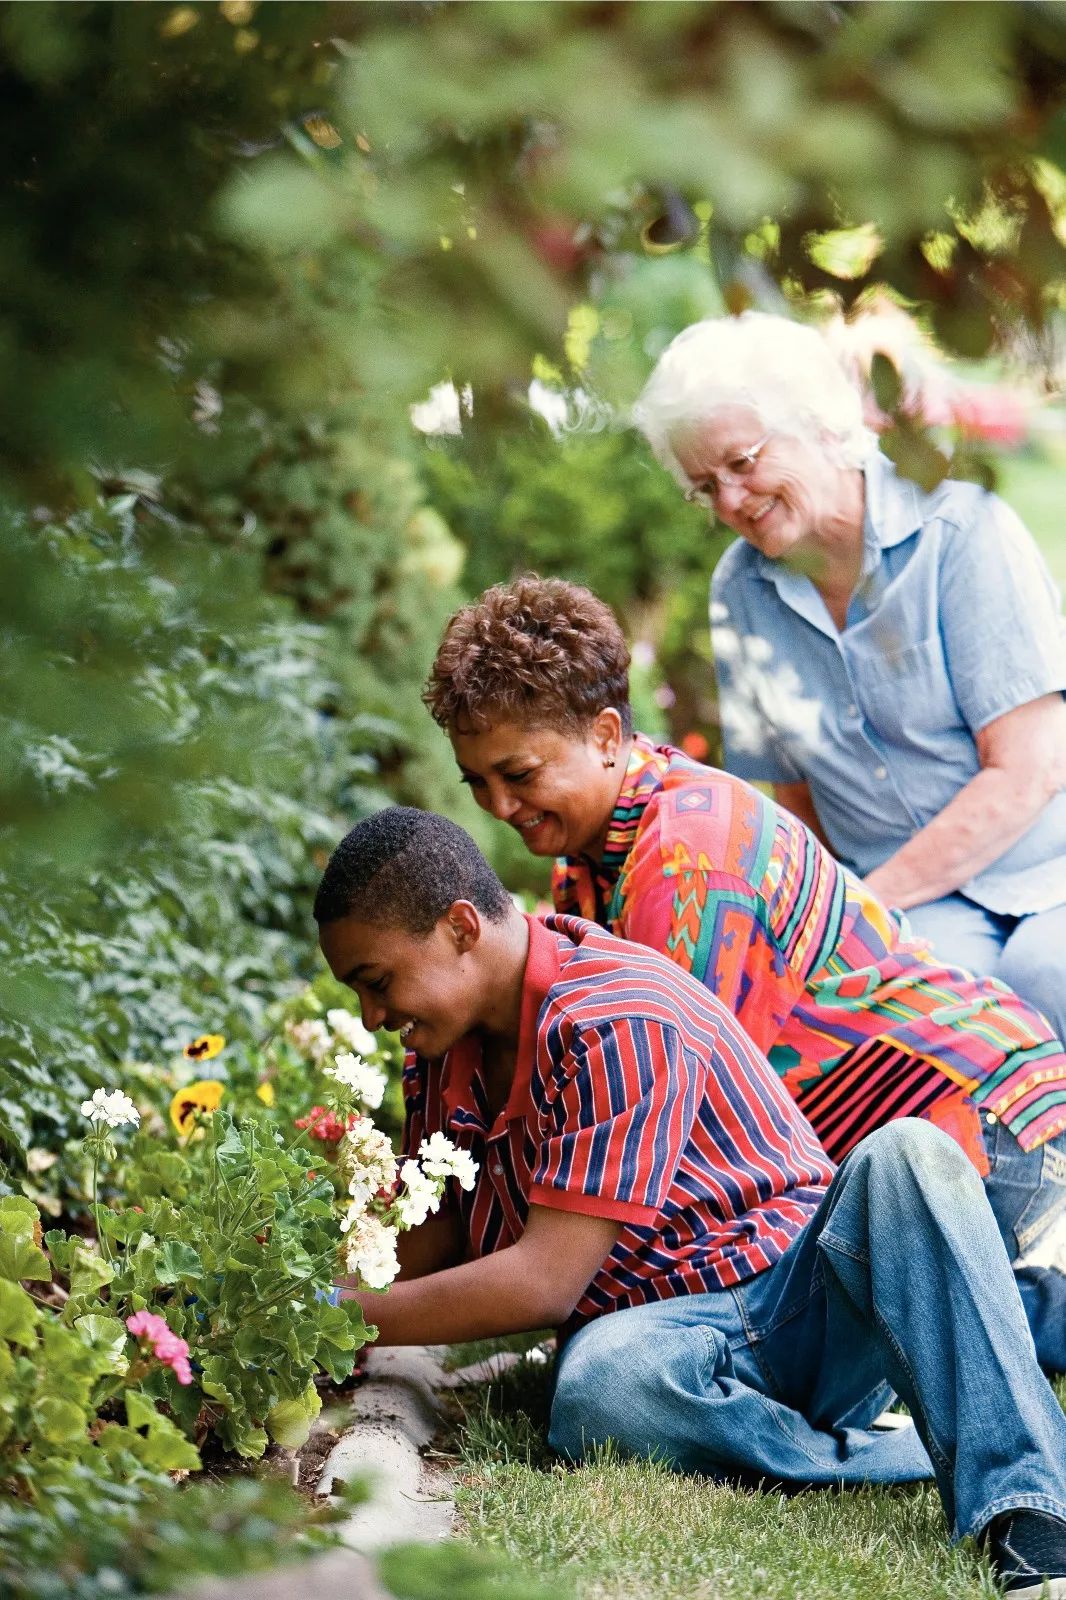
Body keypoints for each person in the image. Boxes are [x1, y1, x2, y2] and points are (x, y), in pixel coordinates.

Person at [314, 805, 1066, 1599]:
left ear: (462, 927)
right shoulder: (445, 1042)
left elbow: (544, 1284)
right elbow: (431, 1244)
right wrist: (296, 1295)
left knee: (908, 1153)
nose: (373, 1016)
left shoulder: (614, 1013)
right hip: (666, 1331)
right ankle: (899, 1447)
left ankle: (1030, 1509)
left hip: (795, 1298)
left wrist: (340, 1310)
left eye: (377, 981)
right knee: (600, 1389)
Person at [423, 575, 1066, 1371]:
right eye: (477, 782)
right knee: (852, 1314)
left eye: (518, 775)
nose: (499, 805)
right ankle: (1013, 1304)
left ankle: (1027, 1310)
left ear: (605, 734)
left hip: (973, 1125)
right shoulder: (593, 855)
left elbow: (664, 1136)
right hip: (883, 1136)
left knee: (878, 1327)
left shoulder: (688, 868)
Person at [631, 310, 1066, 1045]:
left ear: (819, 421)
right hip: (913, 914)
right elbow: (794, 801)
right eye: (705, 487)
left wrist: (859, 908)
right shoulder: (740, 590)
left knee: (1042, 978)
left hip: (1044, 871)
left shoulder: (958, 529)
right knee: (921, 1027)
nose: (730, 502)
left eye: (742, 463)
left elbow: (1029, 768)